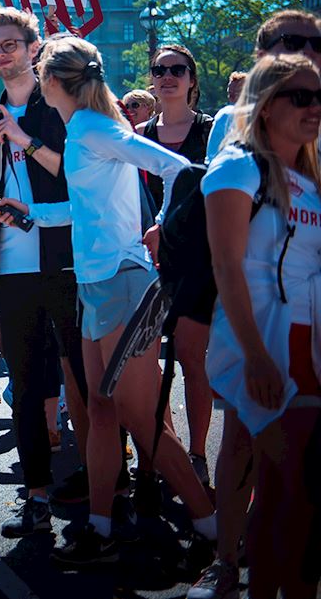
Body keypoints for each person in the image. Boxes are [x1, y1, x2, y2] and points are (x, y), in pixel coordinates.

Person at [0, 35, 217, 566]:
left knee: (141, 420)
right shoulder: (80, 129)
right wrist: (28, 214)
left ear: (51, 82)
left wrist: (159, 225)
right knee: (103, 410)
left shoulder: (94, 127)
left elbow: (181, 170)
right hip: (94, 283)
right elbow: (80, 206)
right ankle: (100, 528)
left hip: (121, 280)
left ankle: (215, 526)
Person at [0, 8, 90, 537]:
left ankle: (104, 481)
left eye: (10, 44)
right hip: (11, 265)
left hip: (66, 258)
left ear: (34, 47)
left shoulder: (57, 104)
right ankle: (35, 495)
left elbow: (76, 175)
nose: (1, 54)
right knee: (26, 382)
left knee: (84, 380)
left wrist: (19, 137)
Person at [200, 54, 321, 599]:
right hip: (265, 344)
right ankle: (230, 564)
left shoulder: (312, 176)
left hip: (311, 346)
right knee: (283, 494)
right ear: (267, 104)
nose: (314, 108)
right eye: (300, 96)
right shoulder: (237, 166)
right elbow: (225, 265)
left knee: (300, 498)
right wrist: (255, 355)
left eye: (319, 96)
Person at [138, 44, 215, 486]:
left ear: (191, 79)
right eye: (159, 70)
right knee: (148, 366)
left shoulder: (209, 132)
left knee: (190, 359)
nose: (167, 76)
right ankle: (164, 449)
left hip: (196, 262)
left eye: (177, 70)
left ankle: (198, 454)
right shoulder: (141, 133)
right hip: (147, 262)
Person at [208, 10, 321, 160]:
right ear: (262, 56)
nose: (308, 51)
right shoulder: (231, 121)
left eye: (317, 44)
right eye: (293, 42)